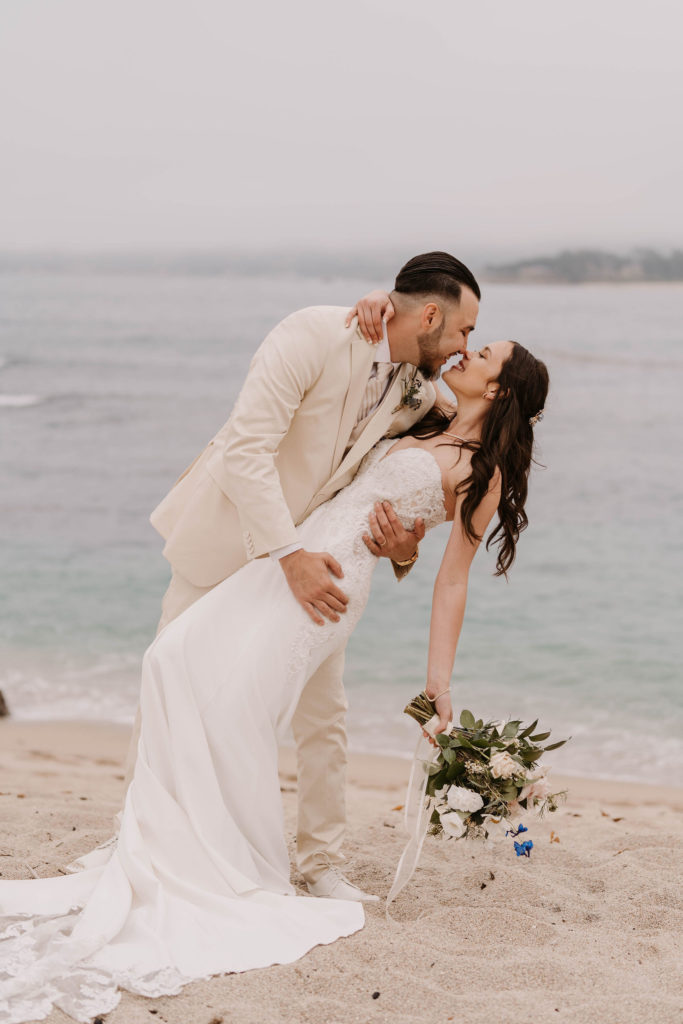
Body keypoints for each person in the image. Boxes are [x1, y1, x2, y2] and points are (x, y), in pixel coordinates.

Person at [0, 319, 548, 1021]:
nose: (468, 351)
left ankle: (229, 862)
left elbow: (450, 580)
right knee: (172, 659)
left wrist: (437, 678)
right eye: (471, 339)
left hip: (328, 584)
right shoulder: (429, 414)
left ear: (499, 387)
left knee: (238, 710)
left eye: (485, 353)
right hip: (283, 559)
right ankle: (173, 834)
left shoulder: (481, 468)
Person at [122, 252, 480, 903]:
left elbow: (405, 484)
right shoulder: (313, 334)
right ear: (429, 314)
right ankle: (143, 839)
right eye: (462, 331)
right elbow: (245, 449)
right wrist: (287, 556)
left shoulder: (420, 392)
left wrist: (402, 549)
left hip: (315, 565)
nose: (463, 348)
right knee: (170, 675)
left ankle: (319, 864)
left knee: (324, 716)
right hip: (233, 541)